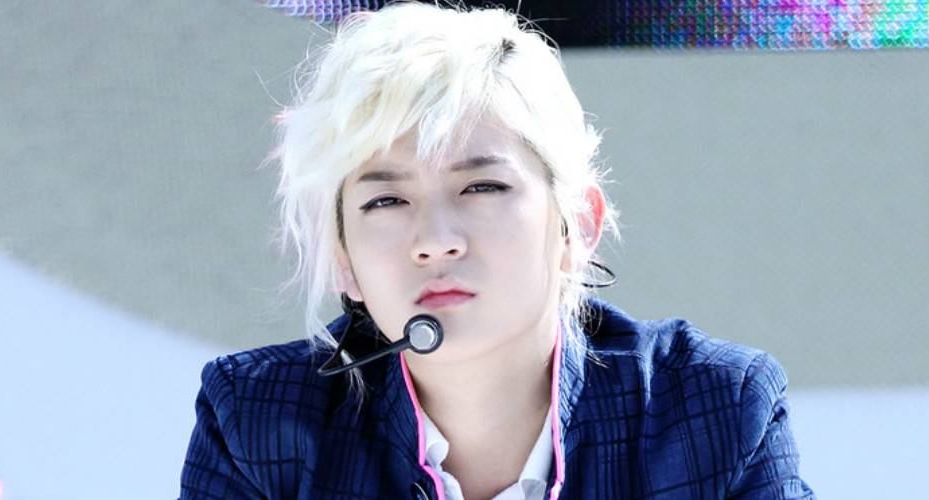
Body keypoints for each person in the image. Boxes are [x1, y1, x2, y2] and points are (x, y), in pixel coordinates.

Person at [179, 2, 814, 499]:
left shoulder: (715, 409)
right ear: (343, 259)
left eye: (482, 187)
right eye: (386, 200)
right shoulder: (256, 421)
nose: (435, 240)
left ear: (577, 225)